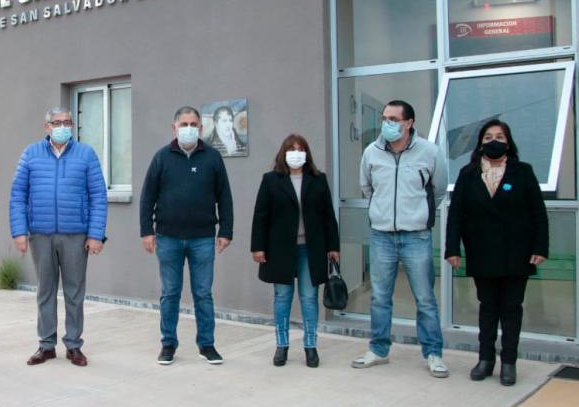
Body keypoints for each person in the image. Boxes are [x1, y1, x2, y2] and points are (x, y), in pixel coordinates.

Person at [445, 119, 547, 386]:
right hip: (482, 252)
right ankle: (485, 359)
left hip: (517, 253)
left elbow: (538, 212)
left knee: (511, 308)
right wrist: (452, 249)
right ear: (480, 142)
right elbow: (456, 214)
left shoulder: (523, 171)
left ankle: (509, 362)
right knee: (488, 308)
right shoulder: (467, 174)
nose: (494, 141)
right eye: (489, 136)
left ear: (509, 142)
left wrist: (540, 247)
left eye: (499, 136)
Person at [353, 100, 450, 378]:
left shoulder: (429, 152)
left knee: (425, 298)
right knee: (380, 298)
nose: (387, 123)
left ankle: (433, 353)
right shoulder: (371, 152)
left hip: (416, 236)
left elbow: (438, 190)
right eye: (385, 118)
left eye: (393, 119)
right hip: (382, 235)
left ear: (409, 123)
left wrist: (418, 214)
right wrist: (381, 212)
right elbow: (367, 188)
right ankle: (379, 349)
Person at [9, 107, 107, 367]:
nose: (62, 126)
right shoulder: (31, 154)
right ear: (47, 127)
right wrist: (19, 231)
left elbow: (98, 195)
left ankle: (74, 345)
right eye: (56, 122)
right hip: (40, 234)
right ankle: (46, 345)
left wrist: (96, 234)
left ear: (72, 125)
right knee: (45, 291)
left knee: (75, 292)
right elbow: (18, 193)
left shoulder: (86, 154)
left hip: (76, 234)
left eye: (67, 122)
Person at [140, 106, 234, 366]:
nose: (189, 129)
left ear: (201, 128)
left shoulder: (213, 158)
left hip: (202, 238)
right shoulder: (162, 158)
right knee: (170, 292)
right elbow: (147, 196)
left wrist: (226, 231)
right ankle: (168, 344)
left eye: (193, 124)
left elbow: (224, 196)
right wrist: (146, 231)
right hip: (168, 238)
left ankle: (207, 345)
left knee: (203, 293)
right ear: (174, 128)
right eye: (184, 124)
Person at [251, 134, 340, 367]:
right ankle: (282, 345)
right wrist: (258, 247)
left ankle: (311, 346)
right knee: (282, 297)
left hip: (310, 249)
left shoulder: (318, 180)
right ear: (283, 153)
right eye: (292, 149)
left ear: (307, 153)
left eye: (301, 149)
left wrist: (333, 246)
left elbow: (328, 216)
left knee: (309, 298)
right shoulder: (271, 180)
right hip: (280, 249)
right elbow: (261, 215)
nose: (296, 153)